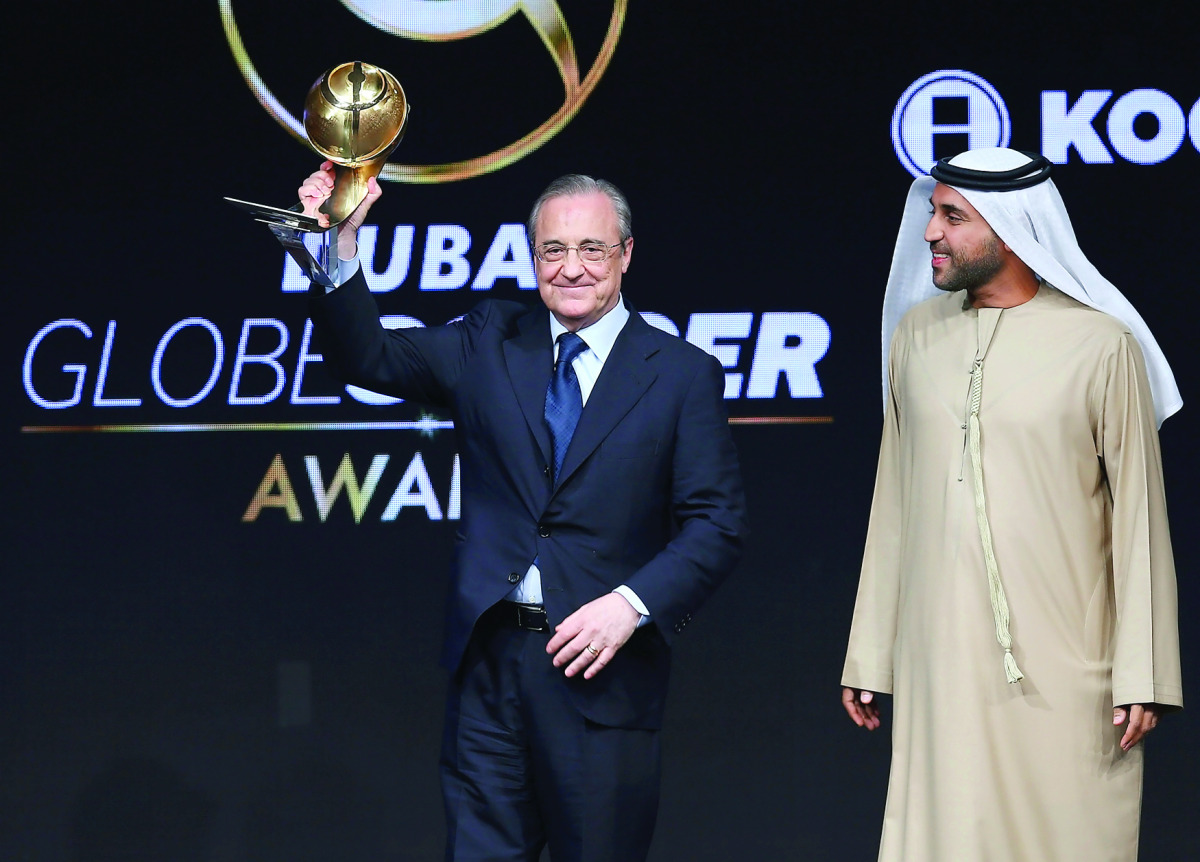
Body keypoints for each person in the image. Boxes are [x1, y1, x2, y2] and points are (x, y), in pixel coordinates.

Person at [299, 163, 747, 861]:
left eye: (591, 249)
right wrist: (342, 244)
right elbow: (368, 357)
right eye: (552, 250)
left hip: (603, 673)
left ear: (626, 254)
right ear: (532, 255)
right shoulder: (489, 338)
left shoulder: (681, 374)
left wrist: (630, 604)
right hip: (490, 666)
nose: (571, 268)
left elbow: (716, 523)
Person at [840, 148, 1183, 861]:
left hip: (1069, 668)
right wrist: (871, 654)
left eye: (952, 216)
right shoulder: (916, 337)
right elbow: (891, 506)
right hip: (940, 663)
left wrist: (1143, 670)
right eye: (933, 212)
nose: (929, 232)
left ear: (1012, 229)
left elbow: (1141, 523)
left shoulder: (1100, 345)